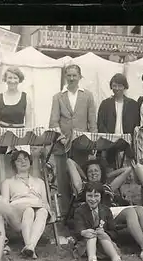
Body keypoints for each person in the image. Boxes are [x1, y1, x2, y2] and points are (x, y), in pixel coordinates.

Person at [66, 158, 143, 261]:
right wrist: (84, 175)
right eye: (90, 171)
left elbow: (128, 169)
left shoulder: (108, 187)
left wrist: (108, 175)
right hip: (98, 214)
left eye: (96, 171)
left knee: (140, 209)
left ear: (101, 173)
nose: (93, 173)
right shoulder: (82, 186)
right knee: (130, 212)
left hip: (110, 211)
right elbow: (69, 161)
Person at [48, 64, 97, 214]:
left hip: (82, 144)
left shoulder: (87, 95)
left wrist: (93, 142)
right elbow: (53, 121)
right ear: (65, 77)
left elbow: (92, 122)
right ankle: (64, 213)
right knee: (63, 180)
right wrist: (60, 136)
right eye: (68, 75)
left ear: (79, 77)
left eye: (74, 75)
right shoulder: (58, 97)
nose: (71, 78)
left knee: (82, 178)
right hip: (62, 144)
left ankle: (82, 211)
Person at [1, 150, 53, 259]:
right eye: (19, 160)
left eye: (25, 159)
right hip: (17, 212)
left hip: (38, 208)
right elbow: (5, 204)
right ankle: (30, 246)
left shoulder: (40, 182)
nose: (23, 162)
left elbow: (45, 202)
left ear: (30, 162)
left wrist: (48, 210)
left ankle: (30, 247)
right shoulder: (8, 182)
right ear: (14, 164)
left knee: (43, 211)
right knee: (28, 210)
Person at [74, 182, 131, 261]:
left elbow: (114, 232)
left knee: (101, 234)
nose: (93, 199)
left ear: (101, 197)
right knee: (91, 235)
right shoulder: (79, 211)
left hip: (104, 245)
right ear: (85, 196)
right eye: (89, 196)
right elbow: (77, 230)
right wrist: (83, 232)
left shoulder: (106, 210)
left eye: (96, 196)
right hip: (86, 245)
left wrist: (105, 233)